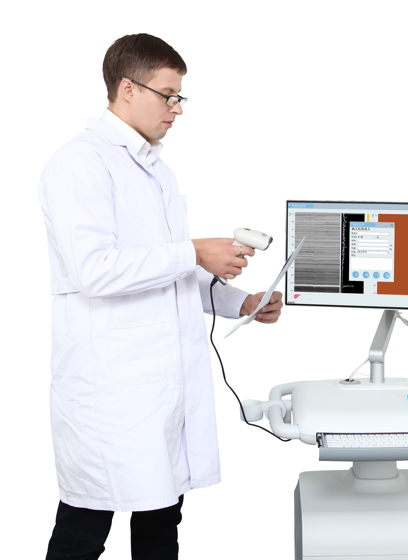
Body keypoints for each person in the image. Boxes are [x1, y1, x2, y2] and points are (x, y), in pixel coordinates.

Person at [38, 33, 283, 560]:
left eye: (179, 97)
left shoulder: (158, 172)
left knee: (161, 520)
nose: (177, 109)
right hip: (111, 392)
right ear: (128, 88)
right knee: (84, 528)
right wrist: (193, 251)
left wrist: (240, 302)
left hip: (160, 391)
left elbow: (166, 272)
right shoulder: (80, 163)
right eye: (168, 95)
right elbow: (95, 270)